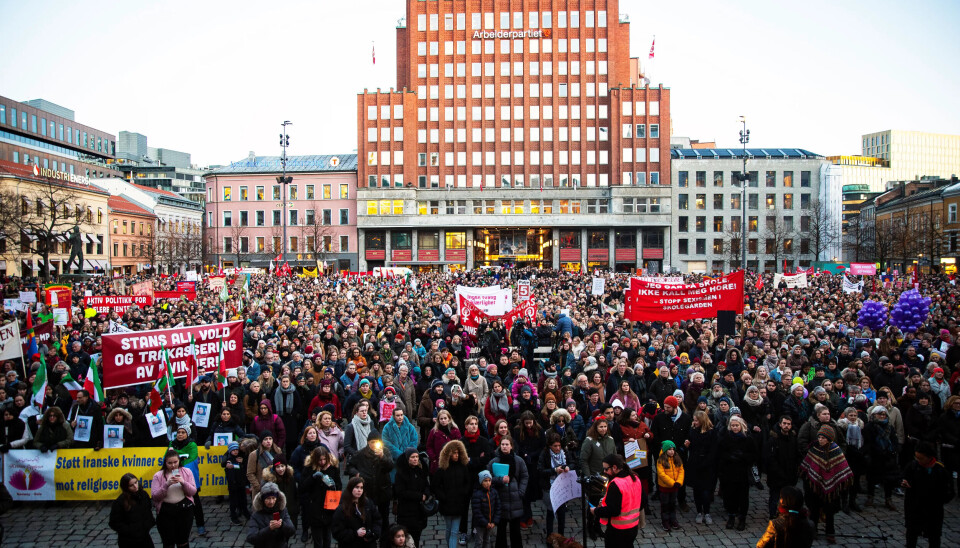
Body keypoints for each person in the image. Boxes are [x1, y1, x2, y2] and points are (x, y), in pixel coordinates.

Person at [799, 425, 853, 544]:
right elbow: (808, 465)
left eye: (823, 438)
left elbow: (842, 468)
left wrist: (835, 482)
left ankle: (830, 532)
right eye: (819, 437)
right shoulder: (814, 448)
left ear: (829, 439)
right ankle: (813, 530)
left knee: (829, 511)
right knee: (814, 510)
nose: (820, 440)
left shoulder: (835, 450)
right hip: (815, 486)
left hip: (831, 489)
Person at [902, 442, 954, 548]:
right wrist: (903, 482)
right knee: (911, 535)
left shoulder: (940, 470)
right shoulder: (913, 466)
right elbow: (902, 477)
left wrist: (938, 500)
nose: (918, 460)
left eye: (921, 458)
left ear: (929, 457)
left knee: (934, 537)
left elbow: (949, 492)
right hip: (914, 508)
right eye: (916, 457)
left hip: (933, 511)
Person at [345, 430, 394, 534]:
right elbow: (350, 466)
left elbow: (390, 466)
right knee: (368, 516)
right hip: (368, 490)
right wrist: (356, 473)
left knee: (384, 516)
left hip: (382, 490)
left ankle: (384, 537)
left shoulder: (385, 452)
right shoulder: (360, 454)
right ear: (368, 442)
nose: (374, 444)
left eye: (377, 442)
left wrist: (382, 457)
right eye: (372, 442)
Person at [592, 454, 643, 548]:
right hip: (633, 527)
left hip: (617, 530)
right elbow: (642, 502)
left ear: (614, 467)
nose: (604, 472)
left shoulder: (616, 484)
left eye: (606, 469)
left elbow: (613, 510)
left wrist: (595, 511)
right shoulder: (635, 478)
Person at [579, 418, 617, 539]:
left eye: (605, 427)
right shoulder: (589, 441)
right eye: (601, 427)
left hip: (607, 478)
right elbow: (583, 460)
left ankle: (597, 526)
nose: (603, 429)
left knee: (603, 503)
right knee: (593, 504)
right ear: (596, 427)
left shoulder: (610, 440)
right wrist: (588, 477)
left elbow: (614, 457)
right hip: (594, 479)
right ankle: (590, 527)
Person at [487, 436, 528, 548]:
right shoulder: (494, 461)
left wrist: (521, 491)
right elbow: (488, 478)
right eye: (503, 444)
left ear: (511, 446)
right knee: (501, 530)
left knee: (515, 530)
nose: (504, 447)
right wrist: (500, 480)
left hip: (515, 499)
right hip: (501, 499)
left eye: (507, 444)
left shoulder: (518, 460)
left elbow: (524, 476)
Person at [151, 449, 197, 548]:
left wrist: (183, 482)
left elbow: (193, 492)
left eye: (175, 462)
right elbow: (155, 496)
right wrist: (166, 484)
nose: (173, 465)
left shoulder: (187, 472)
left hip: (184, 510)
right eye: (170, 463)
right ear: (165, 463)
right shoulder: (158, 475)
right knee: (168, 542)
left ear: (179, 461)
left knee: (183, 541)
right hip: (166, 511)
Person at [718, 415, 757, 531]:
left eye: (736, 425)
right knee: (730, 496)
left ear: (741, 426)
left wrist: (743, 456)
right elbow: (721, 453)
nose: (735, 427)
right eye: (733, 425)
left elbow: (754, 455)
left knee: (743, 497)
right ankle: (731, 517)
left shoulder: (748, 439)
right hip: (729, 472)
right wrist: (730, 457)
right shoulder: (726, 438)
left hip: (743, 473)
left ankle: (742, 519)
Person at [301, 445, 342, 548]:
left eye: (324, 459)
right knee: (318, 541)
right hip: (314, 507)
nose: (322, 462)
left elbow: (339, 486)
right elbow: (303, 487)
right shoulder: (309, 468)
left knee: (327, 537)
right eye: (320, 460)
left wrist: (334, 486)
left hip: (329, 507)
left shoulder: (333, 468)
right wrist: (313, 477)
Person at [537, 431, 577, 536]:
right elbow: (540, 470)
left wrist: (568, 467)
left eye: (559, 446)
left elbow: (573, 463)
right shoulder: (545, 454)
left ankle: (561, 535)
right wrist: (554, 470)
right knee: (550, 511)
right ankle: (549, 536)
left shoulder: (564, 452)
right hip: (549, 486)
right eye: (555, 446)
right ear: (550, 446)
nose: (558, 448)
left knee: (562, 512)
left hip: (563, 485)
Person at [434, 440, 472, 548]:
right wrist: (443, 497)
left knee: (454, 531)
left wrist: (464, 493)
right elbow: (435, 486)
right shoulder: (442, 469)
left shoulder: (463, 467)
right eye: (454, 453)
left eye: (458, 453)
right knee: (449, 529)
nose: (456, 455)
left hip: (459, 503)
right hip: (446, 504)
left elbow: (468, 482)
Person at [863, 405, 900, 510]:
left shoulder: (889, 427)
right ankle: (870, 497)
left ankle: (888, 499)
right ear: (874, 415)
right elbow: (869, 442)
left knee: (889, 479)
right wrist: (877, 451)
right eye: (880, 414)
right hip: (874, 456)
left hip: (888, 457)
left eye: (884, 414)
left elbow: (894, 440)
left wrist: (893, 451)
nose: (882, 416)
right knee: (872, 478)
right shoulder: (869, 427)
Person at [685, 410, 718, 525]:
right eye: (694, 420)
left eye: (696, 420)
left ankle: (707, 512)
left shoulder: (712, 432)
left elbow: (713, 451)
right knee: (697, 490)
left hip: (707, 465)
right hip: (695, 463)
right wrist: (688, 445)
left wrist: (706, 463)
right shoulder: (693, 431)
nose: (694, 422)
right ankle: (699, 511)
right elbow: (692, 446)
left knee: (706, 491)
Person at [393, 448, 430, 547]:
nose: (415, 459)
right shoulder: (401, 473)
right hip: (406, 511)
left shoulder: (420, 470)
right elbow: (401, 492)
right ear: (407, 458)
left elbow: (426, 485)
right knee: (407, 539)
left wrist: (426, 494)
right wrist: (419, 496)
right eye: (413, 457)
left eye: (417, 457)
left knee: (416, 537)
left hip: (419, 511)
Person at [331, 477, 382, 548]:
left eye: (361, 488)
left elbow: (377, 520)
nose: (359, 490)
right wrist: (355, 533)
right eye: (357, 487)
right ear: (350, 488)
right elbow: (337, 531)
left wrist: (373, 533)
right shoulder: (341, 508)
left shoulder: (368, 503)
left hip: (368, 544)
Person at [109, 472, 156, 548]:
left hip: (144, 536)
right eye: (131, 485)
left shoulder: (143, 495)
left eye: (136, 482)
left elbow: (148, 510)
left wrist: (148, 524)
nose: (135, 486)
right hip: (128, 540)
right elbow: (114, 522)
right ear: (126, 487)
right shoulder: (120, 501)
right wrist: (130, 531)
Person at [246, 480, 296, 548]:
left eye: (273, 498)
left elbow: (292, 531)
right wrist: (269, 529)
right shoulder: (256, 515)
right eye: (268, 498)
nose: (271, 502)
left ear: (277, 498)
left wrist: (282, 525)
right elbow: (251, 538)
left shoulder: (283, 511)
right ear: (263, 499)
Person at [263, 456, 300, 535]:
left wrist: (296, 508)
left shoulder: (291, 478)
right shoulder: (271, 482)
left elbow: (295, 494)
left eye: (282, 466)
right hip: (278, 513)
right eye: (278, 467)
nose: (280, 469)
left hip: (291, 511)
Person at [656, 440, 684, 532]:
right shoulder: (661, 460)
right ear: (665, 450)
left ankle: (673, 519)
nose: (672, 451)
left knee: (672, 504)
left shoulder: (677, 458)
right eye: (669, 449)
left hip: (674, 487)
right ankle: (665, 521)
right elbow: (662, 474)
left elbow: (681, 470)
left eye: (673, 449)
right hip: (665, 487)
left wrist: (679, 482)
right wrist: (672, 483)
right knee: (665, 505)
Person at [472, 470, 501, 548]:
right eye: (485, 481)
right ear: (481, 482)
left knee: (487, 540)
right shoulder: (477, 494)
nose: (488, 483)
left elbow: (498, 508)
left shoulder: (494, 492)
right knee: (479, 541)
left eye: (489, 480)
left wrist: (494, 522)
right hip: (480, 524)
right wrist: (485, 523)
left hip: (490, 523)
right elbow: (477, 511)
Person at [247, 431, 279, 498]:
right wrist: (258, 487)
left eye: (270, 439)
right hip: (260, 488)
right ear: (261, 441)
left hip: (275, 487)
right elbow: (250, 473)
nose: (268, 441)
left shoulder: (278, 451)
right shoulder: (254, 454)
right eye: (265, 439)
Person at [223, 441, 247, 524]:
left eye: (236, 450)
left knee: (243, 499)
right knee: (233, 501)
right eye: (233, 450)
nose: (235, 451)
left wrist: (242, 463)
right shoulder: (228, 460)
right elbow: (229, 472)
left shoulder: (241, 457)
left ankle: (244, 512)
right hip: (233, 484)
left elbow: (243, 469)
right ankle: (233, 516)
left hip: (241, 482)